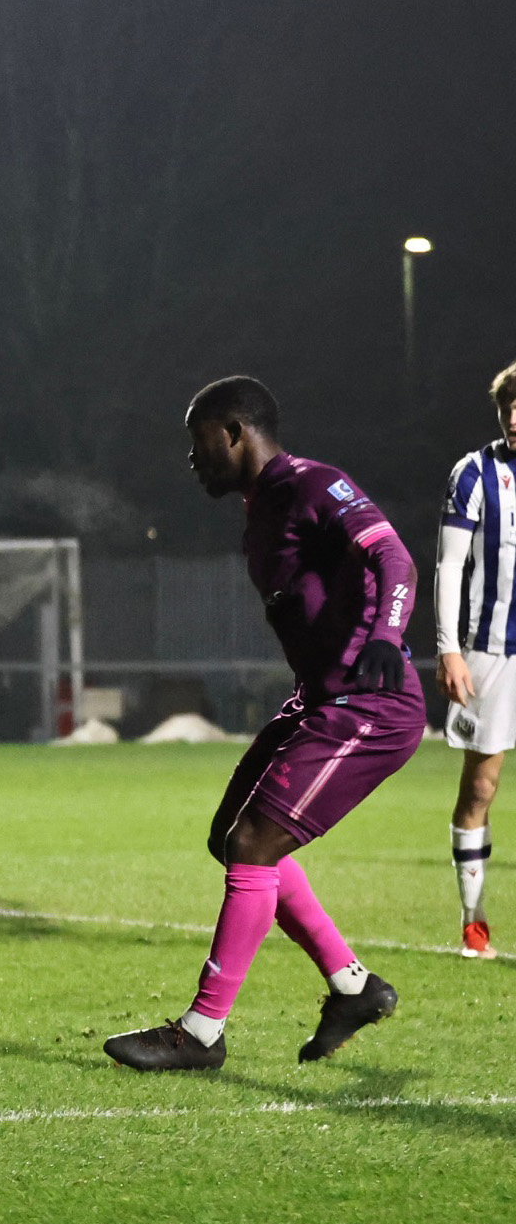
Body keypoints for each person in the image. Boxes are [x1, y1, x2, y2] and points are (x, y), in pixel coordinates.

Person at [105, 376, 418, 1071]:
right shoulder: (261, 508)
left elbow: (393, 556)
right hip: (320, 699)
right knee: (231, 838)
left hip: (369, 704)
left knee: (253, 842)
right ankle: (352, 986)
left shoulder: (312, 483)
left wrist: (386, 637)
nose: (193, 459)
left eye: (199, 441)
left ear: (235, 432)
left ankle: (202, 1032)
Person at [433, 358, 516, 960]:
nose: (513, 418)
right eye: (506, 407)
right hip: (492, 652)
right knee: (481, 785)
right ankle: (473, 921)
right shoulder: (474, 473)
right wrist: (448, 648)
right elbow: (449, 566)